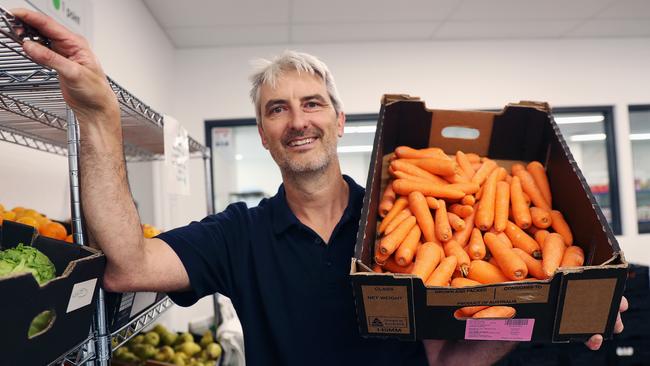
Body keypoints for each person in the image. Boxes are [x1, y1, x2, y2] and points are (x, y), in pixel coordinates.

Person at [11, 8, 627, 366]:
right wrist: (97, 116)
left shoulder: (390, 228)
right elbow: (124, 263)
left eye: (312, 104)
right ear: (262, 132)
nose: (298, 120)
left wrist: (535, 320)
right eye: (278, 109)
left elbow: (447, 360)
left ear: (338, 120)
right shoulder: (239, 235)